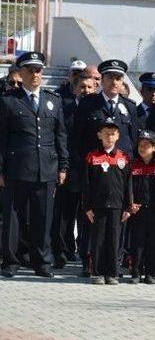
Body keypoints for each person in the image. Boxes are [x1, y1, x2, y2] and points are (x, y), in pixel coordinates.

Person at [0, 52, 68, 278]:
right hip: (17, 168)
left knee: (43, 217)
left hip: (46, 168)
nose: (35, 74)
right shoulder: (9, 101)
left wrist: (63, 166)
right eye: (29, 70)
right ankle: (11, 261)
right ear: (21, 73)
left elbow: (60, 136)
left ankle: (42, 262)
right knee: (13, 218)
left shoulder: (53, 100)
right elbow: (2, 137)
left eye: (38, 70)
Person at [52, 73, 96, 270]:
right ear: (75, 88)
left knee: (85, 213)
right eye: (82, 87)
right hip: (70, 166)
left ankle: (83, 251)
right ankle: (61, 250)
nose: (85, 90)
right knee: (64, 213)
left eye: (89, 87)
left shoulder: (97, 108)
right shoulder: (65, 108)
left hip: (91, 169)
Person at [83, 118, 132, 285]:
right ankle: (97, 272)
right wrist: (87, 207)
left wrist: (128, 206)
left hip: (118, 206)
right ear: (99, 135)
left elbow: (128, 184)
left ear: (118, 136)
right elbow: (87, 184)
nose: (109, 137)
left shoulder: (124, 157)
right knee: (98, 240)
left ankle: (112, 272)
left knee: (114, 239)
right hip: (98, 206)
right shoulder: (92, 156)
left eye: (113, 134)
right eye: (106, 134)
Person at [74, 59, 139, 160]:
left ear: (122, 82)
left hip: (121, 165)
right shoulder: (87, 103)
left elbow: (133, 139)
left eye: (118, 79)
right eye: (110, 78)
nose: (114, 82)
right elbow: (78, 136)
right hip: (93, 165)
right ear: (102, 80)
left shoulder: (130, 106)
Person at [128, 130, 155, 285]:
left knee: (154, 242)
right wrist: (130, 203)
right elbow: (128, 186)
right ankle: (136, 272)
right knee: (137, 242)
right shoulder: (132, 164)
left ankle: (151, 273)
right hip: (137, 210)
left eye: (146, 145)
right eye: (140, 145)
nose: (142, 148)